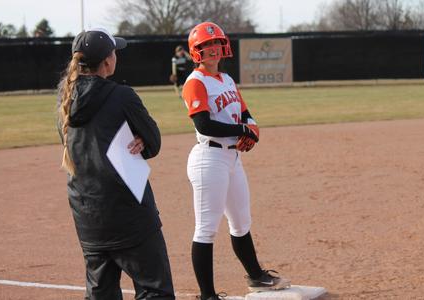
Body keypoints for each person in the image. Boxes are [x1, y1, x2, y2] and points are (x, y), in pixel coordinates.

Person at [56, 28, 174, 300]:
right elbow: (154, 141)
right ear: (107, 62)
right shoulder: (122, 95)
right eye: (114, 53)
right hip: (127, 210)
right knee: (155, 291)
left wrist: (141, 139)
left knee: (101, 294)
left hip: (86, 213)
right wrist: (142, 140)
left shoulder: (64, 98)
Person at [181, 22, 291, 300]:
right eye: (206, 46)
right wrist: (242, 130)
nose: (212, 49)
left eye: (216, 44)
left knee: (241, 222)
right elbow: (204, 124)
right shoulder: (195, 82)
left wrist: (251, 129)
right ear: (197, 52)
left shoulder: (227, 80)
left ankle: (256, 277)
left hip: (231, 158)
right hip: (209, 159)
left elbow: (244, 112)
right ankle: (207, 295)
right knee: (206, 229)